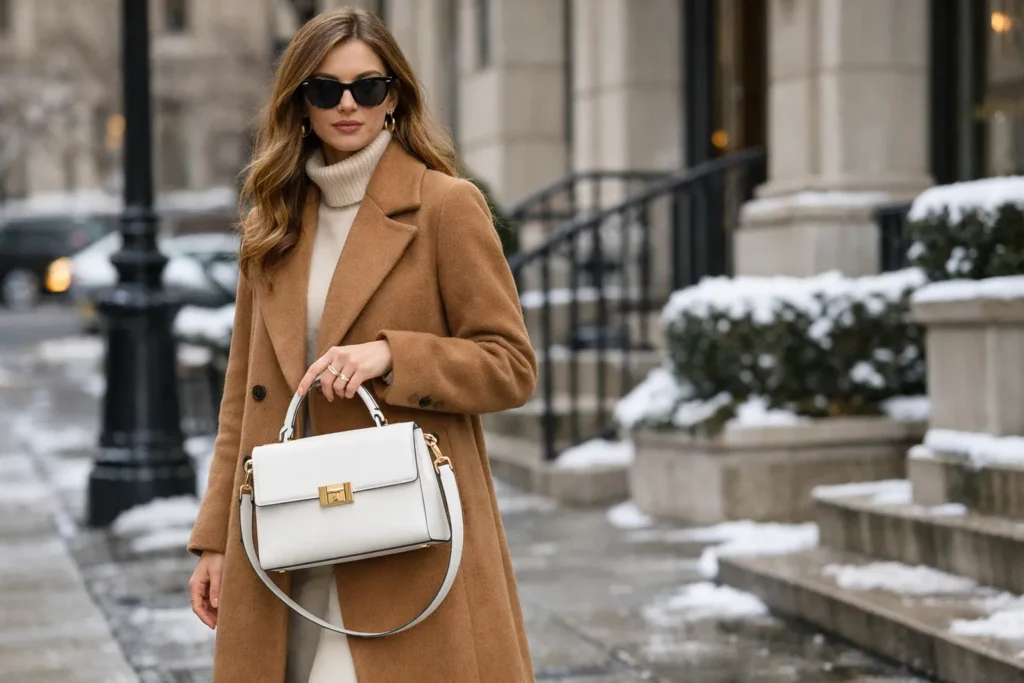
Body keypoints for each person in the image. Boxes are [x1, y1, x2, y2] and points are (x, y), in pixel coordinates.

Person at [186, 8, 538, 683]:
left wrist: (394, 357)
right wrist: (215, 541)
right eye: (326, 89)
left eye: (368, 87)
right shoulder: (273, 224)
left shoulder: (445, 206)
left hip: (405, 539)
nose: (348, 104)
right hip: (289, 538)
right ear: (301, 104)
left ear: (394, 98)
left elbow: (510, 365)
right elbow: (242, 400)